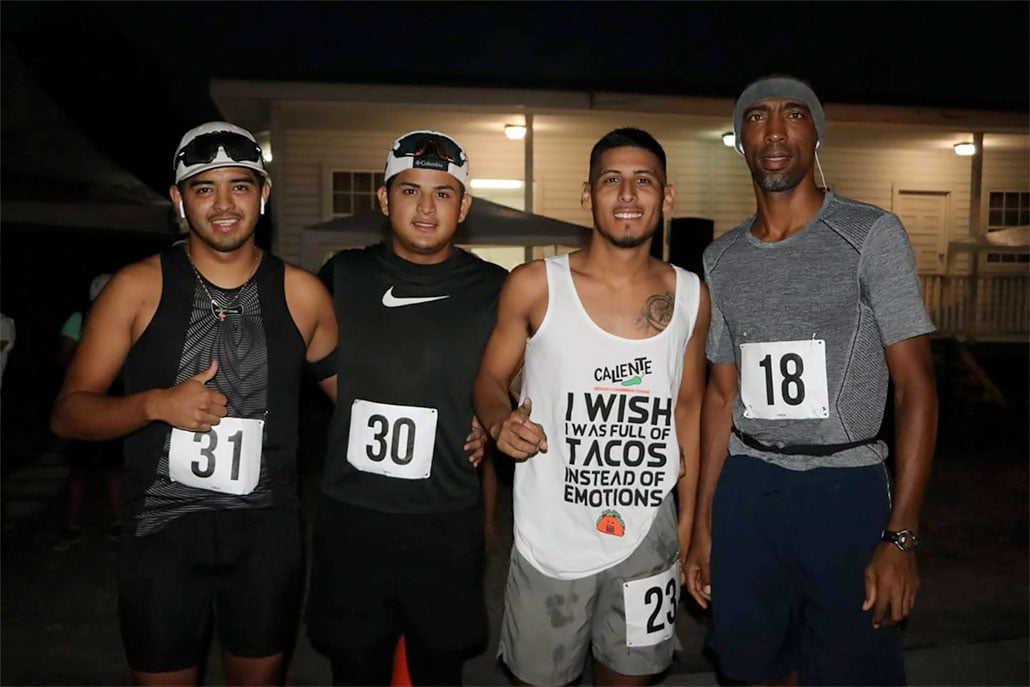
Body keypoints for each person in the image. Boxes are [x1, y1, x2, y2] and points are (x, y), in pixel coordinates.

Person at [50, 121, 338, 686]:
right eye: (205, 188)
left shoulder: (304, 294)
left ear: (264, 194)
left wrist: (462, 421)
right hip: (161, 540)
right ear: (179, 199)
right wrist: (154, 405)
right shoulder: (135, 288)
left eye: (240, 186)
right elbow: (69, 414)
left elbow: (354, 400)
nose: (224, 204)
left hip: (265, 541)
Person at [683, 76, 938, 686]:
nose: (775, 131)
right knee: (753, 666)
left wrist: (902, 537)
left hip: (844, 491)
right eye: (757, 118)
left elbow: (917, 390)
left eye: (793, 115)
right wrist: (703, 525)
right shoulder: (721, 258)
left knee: (851, 670)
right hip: (749, 487)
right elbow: (721, 394)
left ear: (816, 134)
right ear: (740, 140)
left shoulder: (870, 234)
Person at [474, 127, 710, 686]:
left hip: (649, 531)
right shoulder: (535, 285)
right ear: (588, 194)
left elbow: (690, 410)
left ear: (666, 197)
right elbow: (489, 377)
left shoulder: (691, 296)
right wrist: (498, 420)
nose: (627, 194)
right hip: (551, 532)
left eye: (643, 181)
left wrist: (690, 522)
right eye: (611, 180)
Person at [307, 130, 507, 686]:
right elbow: (310, 358)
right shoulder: (341, 276)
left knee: (438, 669)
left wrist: (490, 417)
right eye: (410, 190)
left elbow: (522, 373)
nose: (425, 208)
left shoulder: (496, 287)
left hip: (445, 519)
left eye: (443, 193)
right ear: (383, 198)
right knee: (354, 669)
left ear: (463, 207)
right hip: (352, 516)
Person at [53, 273, 124, 552]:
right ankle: (70, 527)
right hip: (84, 399)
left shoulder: (125, 319)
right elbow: (63, 356)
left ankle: (119, 523)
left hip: (115, 400)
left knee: (114, 467)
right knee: (79, 468)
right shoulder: (79, 320)